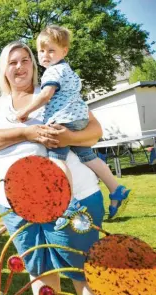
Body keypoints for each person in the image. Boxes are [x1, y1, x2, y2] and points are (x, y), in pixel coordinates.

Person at [0, 41, 105, 295]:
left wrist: (67, 138)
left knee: (83, 273)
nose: (20, 67)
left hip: (70, 201)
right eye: (13, 62)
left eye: (25, 60)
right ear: (4, 70)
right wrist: (27, 133)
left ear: (34, 66)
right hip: (18, 206)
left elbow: (95, 132)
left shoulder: (54, 93)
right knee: (40, 274)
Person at [13, 25, 130, 220]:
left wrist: (24, 111)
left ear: (64, 51)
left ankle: (69, 203)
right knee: (87, 155)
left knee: (56, 159)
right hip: (78, 118)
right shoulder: (67, 70)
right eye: (42, 51)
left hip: (63, 120)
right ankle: (116, 188)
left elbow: (45, 96)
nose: (45, 55)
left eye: (51, 50)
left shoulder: (52, 72)